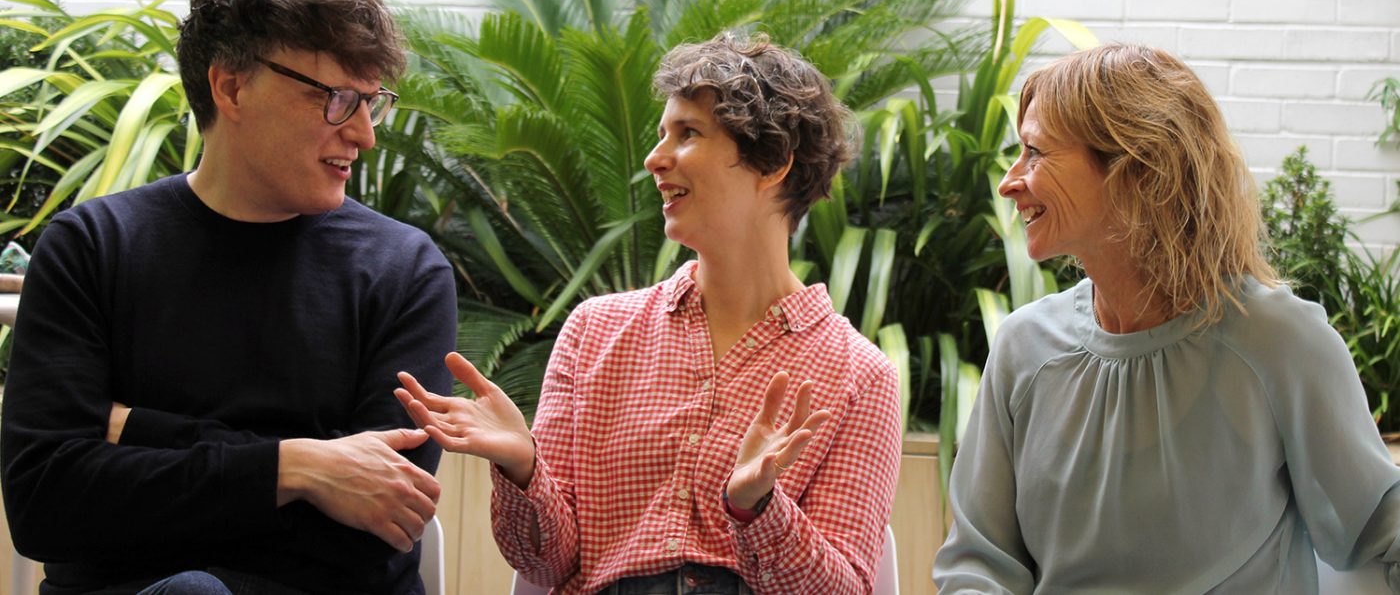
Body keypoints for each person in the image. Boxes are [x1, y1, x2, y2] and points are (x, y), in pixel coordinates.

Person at [0, 0, 457, 595]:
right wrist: (293, 466)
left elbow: (378, 521)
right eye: (336, 100)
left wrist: (142, 434)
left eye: (372, 101)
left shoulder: (404, 270)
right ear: (232, 85)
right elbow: (46, 504)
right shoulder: (92, 248)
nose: (364, 134)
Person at [395, 33, 904, 594]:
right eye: (663, 135)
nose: (654, 159)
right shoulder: (594, 332)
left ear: (774, 162)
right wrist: (523, 468)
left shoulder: (860, 376)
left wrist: (761, 509)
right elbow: (545, 567)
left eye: (689, 134)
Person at [933, 43, 1400, 593]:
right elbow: (978, 563)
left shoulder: (1279, 341)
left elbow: (1381, 529)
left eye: (1035, 153)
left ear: (1135, 170)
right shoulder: (1023, 347)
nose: (1010, 181)